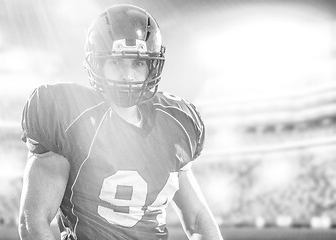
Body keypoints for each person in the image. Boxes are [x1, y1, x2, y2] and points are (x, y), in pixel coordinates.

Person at [19, 4, 223, 240]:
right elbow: (33, 221)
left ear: (151, 66)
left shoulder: (176, 124)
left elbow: (198, 219)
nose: (128, 76)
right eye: (116, 63)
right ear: (97, 65)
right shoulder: (68, 115)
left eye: (137, 64)